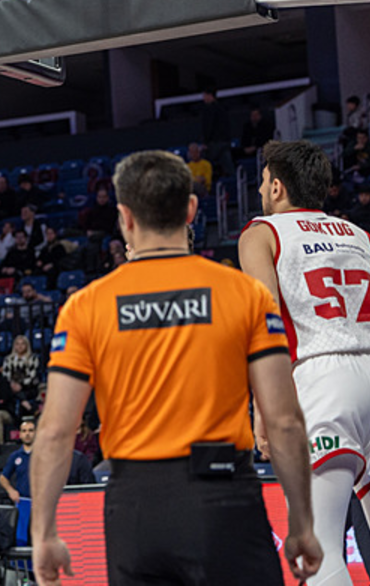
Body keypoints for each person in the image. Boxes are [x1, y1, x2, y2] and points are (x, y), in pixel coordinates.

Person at [31, 150, 322, 585]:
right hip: (224, 498)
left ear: (125, 218)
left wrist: (44, 532)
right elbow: (283, 420)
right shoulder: (245, 295)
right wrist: (301, 523)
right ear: (190, 209)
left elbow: (55, 430)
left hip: (133, 508)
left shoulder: (85, 307)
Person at [240, 140, 370, 585]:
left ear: (276, 186)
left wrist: (265, 409)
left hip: (321, 378)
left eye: (262, 181)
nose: (261, 190)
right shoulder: (359, 236)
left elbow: (267, 321)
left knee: (317, 550)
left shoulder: (261, 232)